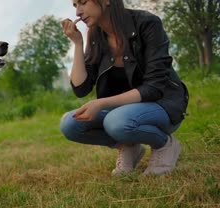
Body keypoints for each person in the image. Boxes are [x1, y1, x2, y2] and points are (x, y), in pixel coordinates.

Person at [60, 0, 189, 175]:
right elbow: (81, 88)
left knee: (115, 122)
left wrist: (101, 103)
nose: (78, 12)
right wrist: (77, 44)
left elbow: (153, 87)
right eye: (75, 6)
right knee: (70, 124)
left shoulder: (147, 23)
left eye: (82, 2)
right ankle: (129, 146)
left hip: (163, 103)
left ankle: (164, 144)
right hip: (122, 112)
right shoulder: (96, 35)